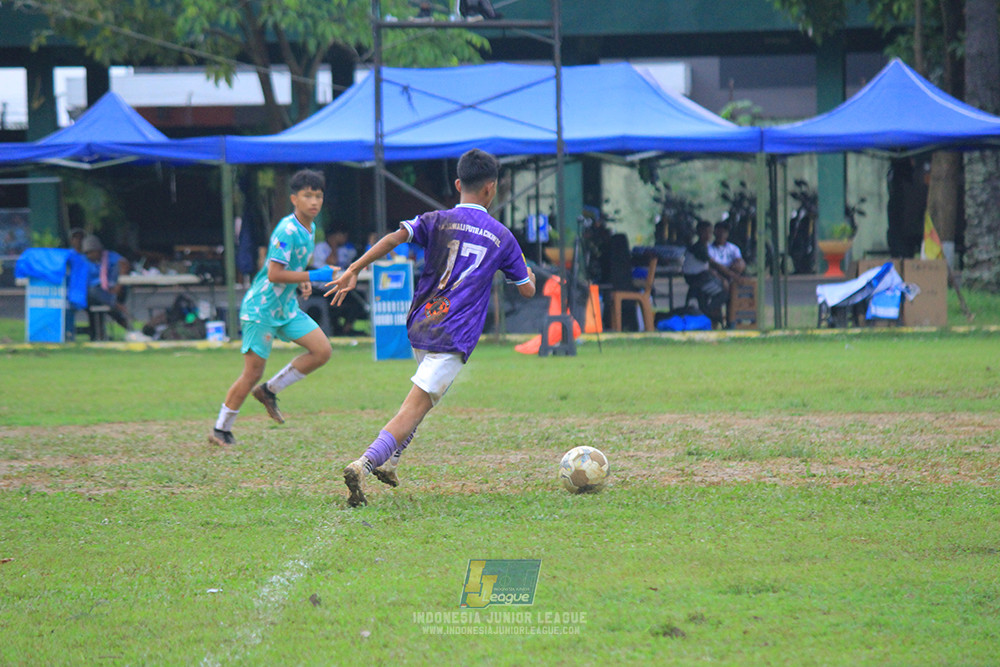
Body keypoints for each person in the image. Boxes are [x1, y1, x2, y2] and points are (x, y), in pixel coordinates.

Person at [327, 148, 536, 507]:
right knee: (415, 406)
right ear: (491, 188)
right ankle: (365, 463)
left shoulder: (436, 219)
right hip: (454, 334)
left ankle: (391, 462)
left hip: (422, 324)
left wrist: (354, 268)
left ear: (458, 184)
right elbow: (527, 289)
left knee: (426, 399)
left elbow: (394, 238)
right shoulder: (502, 237)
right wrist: (528, 274)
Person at [210, 169, 335, 447]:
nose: (314, 201)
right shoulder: (286, 230)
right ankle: (221, 429)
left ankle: (269, 390)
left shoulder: (310, 228)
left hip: (285, 308)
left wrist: (302, 280)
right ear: (294, 199)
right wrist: (314, 275)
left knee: (322, 351)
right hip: (262, 309)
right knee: (252, 372)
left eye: (318, 196)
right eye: (307, 196)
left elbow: (294, 265)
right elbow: (274, 274)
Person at [80, 234, 131, 330]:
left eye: (91, 252)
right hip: (94, 294)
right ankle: (115, 307)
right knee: (91, 292)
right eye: (87, 253)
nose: (89, 256)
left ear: (98, 250)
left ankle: (114, 304)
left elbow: (125, 264)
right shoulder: (85, 261)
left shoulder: (110, 256)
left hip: (113, 289)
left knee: (100, 298)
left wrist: (118, 285)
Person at [682, 220, 727, 325]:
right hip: (697, 278)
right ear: (698, 233)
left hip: (703, 277)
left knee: (712, 290)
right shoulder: (698, 247)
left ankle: (709, 315)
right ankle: (708, 313)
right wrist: (730, 275)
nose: (708, 235)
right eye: (705, 232)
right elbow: (712, 263)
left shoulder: (705, 246)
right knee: (724, 292)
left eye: (710, 232)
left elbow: (707, 267)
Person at [707, 220, 746, 289]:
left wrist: (735, 268)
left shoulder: (734, 248)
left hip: (731, 273)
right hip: (717, 274)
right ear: (715, 232)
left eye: (724, 232)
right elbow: (713, 265)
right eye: (719, 231)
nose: (722, 234)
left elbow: (740, 262)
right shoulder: (709, 248)